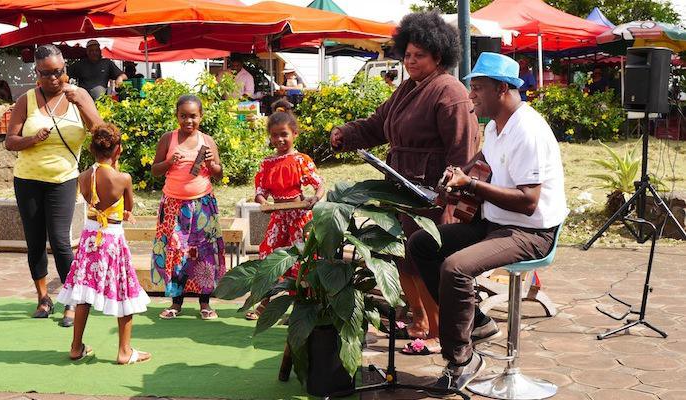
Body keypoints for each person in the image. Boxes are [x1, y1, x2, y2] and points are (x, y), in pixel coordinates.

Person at [407, 52, 568, 393]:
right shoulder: (495, 127)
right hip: (495, 222)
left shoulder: (529, 131)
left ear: (503, 89)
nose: (471, 95)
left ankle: (462, 359)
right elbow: (478, 166)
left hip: (531, 231)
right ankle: (476, 323)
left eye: (478, 87)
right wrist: (459, 176)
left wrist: (472, 185)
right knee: (421, 243)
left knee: (455, 267)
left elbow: (528, 202)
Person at [329, 11, 479, 353]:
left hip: (434, 197)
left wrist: (450, 199)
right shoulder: (407, 89)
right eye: (407, 55)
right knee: (402, 257)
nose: (410, 61)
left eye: (419, 56)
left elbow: (464, 153)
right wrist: (345, 134)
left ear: (437, 56)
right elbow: (377, 125)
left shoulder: (450, 92)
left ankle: (441, 331)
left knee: (427, 259)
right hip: (401, 189)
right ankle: (419, 319)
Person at [5, 44, 103, 327]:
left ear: (65, 69)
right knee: (35, 241)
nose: (53, 78)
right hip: (28, 179)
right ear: (37, 73)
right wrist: (32, 139)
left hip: (63, 178)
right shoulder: (27, 100)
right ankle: (43, 297)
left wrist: (82, 104)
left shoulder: (80, 95)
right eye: (46, 73)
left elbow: (102, 134)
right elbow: (11, 141)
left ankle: (70, 302)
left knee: (60, 241)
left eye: (59, 72)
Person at [56, 123, 151, 364]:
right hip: (111, 238)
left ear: (91, 148)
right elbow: (127, 207)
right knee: (123, 290)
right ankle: (124, 351)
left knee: (84, 292)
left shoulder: (83, 176)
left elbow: (94, 201)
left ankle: (76, 347)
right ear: (117, 150)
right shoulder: (123, 178)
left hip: (90, 238)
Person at [245, 100, 325, 320]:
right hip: (278, 217)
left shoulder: (301, 160)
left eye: (284, 134)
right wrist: (263, 202)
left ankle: (301, 308)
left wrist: (314, 199)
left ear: (294, 134)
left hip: (299, 216)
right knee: (268, 257)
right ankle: (264, 303)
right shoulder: (267, 164)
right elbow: (260, 191)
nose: (280, 140)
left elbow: (319, 184)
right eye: (275, 136)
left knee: (302, 260)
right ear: (270, 137)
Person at [150, 94, 226, 320]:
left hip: (202, 204)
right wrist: (169, 162)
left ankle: (205, 304)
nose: (188, 121)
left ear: (200, 116)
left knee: (203, 253)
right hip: (173, 205)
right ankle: (176, 303)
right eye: (183, 116)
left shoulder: (207, 141)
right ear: (177, 116)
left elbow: (219, 173)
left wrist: (213, 163)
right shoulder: (168, 139)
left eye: (193, 116)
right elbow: (155, 170)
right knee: (175, 251)